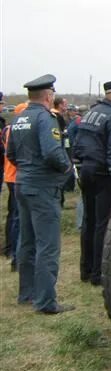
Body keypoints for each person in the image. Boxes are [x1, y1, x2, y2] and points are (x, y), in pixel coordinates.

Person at [5, 75, 73, 314]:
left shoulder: (20, 118)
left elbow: (11, 153)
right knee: (48, 245)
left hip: (23, 184)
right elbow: (53, 153)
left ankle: (27, 293)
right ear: (48, 96)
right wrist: (67, 167)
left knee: (27, 241)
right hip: (43, 187)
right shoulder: (45, 119)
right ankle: (45, 301)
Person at [73, 80, 111, 286]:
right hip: (104, 175)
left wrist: (80, 166)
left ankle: (86, 269)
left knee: (89, 220)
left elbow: (78, 144)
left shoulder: (92, 112)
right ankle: (99, 273)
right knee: (104, 224)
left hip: (87, 172)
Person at [2, 102, 27, 271]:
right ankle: (15, 255)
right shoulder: (17, 130)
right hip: (17, 175)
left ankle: (11, 250)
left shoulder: (9, 129)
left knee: (14, 215)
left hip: (11, 175)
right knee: (19, 218)